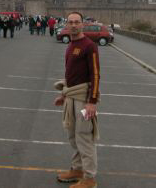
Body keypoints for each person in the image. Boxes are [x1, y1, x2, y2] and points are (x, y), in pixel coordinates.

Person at [54, 11, 100, 188]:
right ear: (67, 25)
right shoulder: (71, 45)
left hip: (84, 100)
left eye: (77, 22)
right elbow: (70, 75)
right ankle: (77, 169)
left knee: (84, 138)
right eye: (70, 22)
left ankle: (89, 178)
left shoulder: (89, 46)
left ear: (82, 24)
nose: (73, 25)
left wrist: (92, 102)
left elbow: (95, 75)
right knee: (73, 136)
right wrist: (64, 95)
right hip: (71, 98)